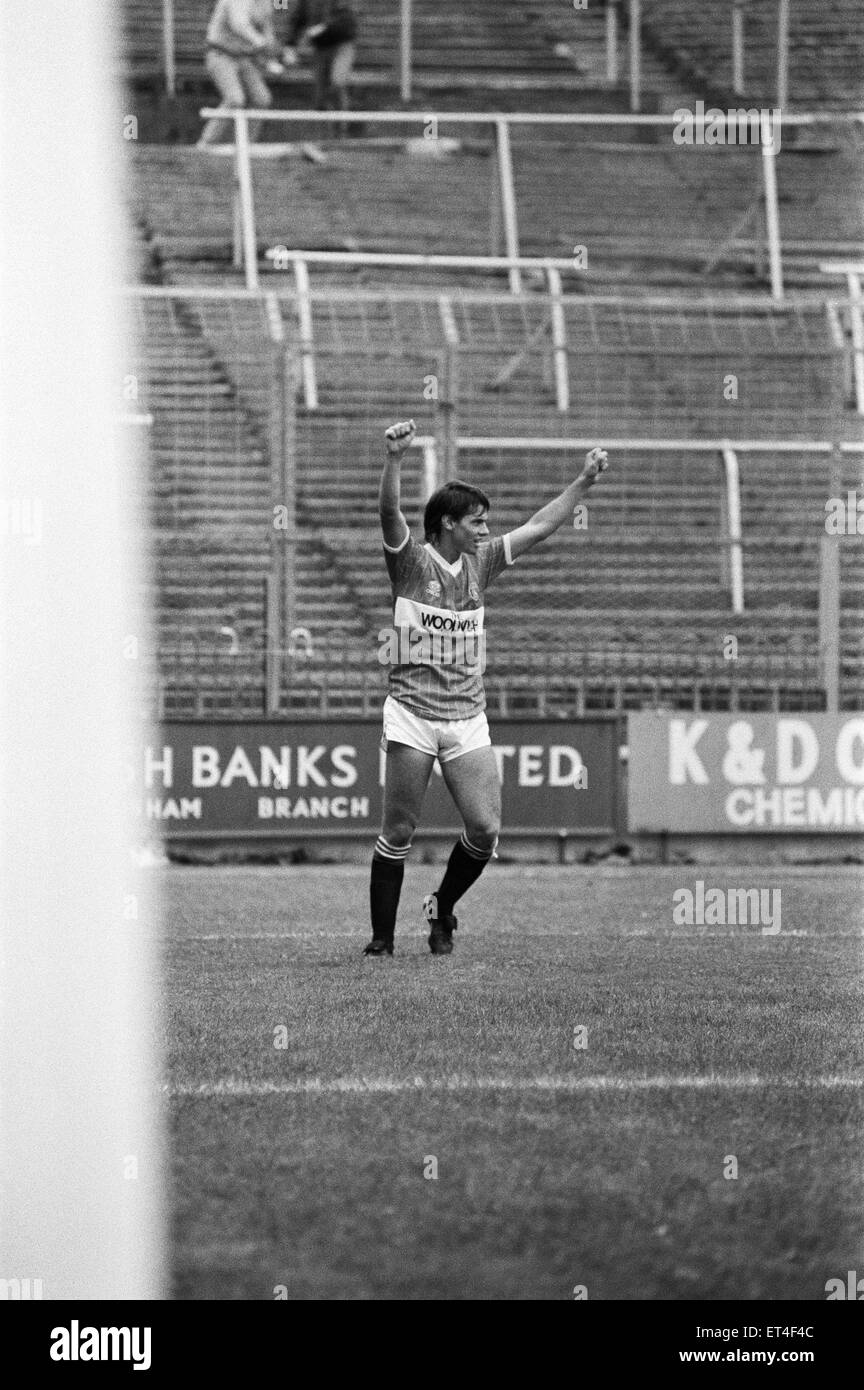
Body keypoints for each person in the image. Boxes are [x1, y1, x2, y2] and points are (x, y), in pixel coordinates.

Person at [366, 420, 610, 957]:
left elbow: (541, 525)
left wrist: (584, 481)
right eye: (476, 522)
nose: (485, 530)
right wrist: (394, 459)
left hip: (466, 716)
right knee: (400, 829)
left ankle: (441, 908)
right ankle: (381, 943)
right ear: (446, 524)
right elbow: (389, 514)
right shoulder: (410, 563)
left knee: (485, 828)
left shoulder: (483, 563)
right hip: (411, 711)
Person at [198, 0, 282, 148]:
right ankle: (206, 143)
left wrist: (273, 53)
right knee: (235, 99)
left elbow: (267, 25)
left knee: (262, 99)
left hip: (244, 57)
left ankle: (246, 145)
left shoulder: (270, 2)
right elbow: (239, 25)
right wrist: (263, 44)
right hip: (220, 53)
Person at [286, 1, 357, 118]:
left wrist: (324, 27)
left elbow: (347, 19)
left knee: (337, 82)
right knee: (320, 98)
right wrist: (290, 45)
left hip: (342, 45)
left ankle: (342, 129)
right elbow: (299, 19)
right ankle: (325, 130)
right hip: (321, 48)